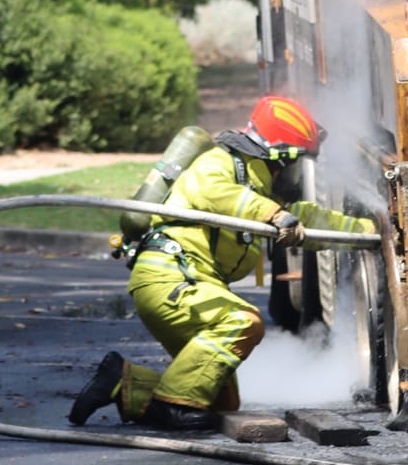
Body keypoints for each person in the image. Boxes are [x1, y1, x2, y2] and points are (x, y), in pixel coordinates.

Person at [68, 95, 378, 431]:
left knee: (220, 402)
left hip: (185, 286)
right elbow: (211, 190)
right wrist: (272, 214)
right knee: (244, 321)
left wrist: (373, 231)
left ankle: (122, 381)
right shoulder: (219, 164)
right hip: (170, 280)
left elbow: (310, 221)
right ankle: (169, 407)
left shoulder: (260, 191)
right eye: (296, 163)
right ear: (278, 156)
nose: (297, 175)